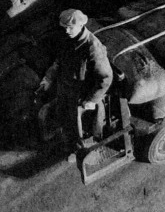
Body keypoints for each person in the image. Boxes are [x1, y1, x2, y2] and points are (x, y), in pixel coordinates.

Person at [37, 9, 113, 157]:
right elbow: (58, 62)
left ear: (81, 25)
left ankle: (81, 150)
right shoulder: (67, 39)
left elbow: (105, 77)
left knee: (75, 125)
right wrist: (48, 79)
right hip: (64, 88)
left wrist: (92, 100)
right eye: (65, 27)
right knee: (60, 115)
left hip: (81, 93)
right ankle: (65, 142)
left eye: (71, 27)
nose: (67, 31)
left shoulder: (93, 48)